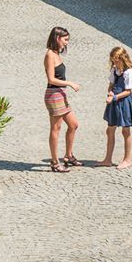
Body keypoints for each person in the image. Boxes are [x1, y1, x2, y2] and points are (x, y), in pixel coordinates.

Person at [44, 26, 81, 173]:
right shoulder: (49, 55)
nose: (67, 43)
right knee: (56, 128)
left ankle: (68, 156)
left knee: (74, 125)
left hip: (60, 94)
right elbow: (51, 79)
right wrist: (69, 83)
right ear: (57, 38)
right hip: (54, 95)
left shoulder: (56, 54)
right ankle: (54, 162)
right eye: (65, 40)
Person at [98, 46, 132, 169]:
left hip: (124, 103)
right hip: (114, 102)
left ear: (123, 58)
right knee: (110, 130)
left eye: (116, 60)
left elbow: (128, 91)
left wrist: (115, 97)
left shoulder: (129, 72)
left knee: (125, 131)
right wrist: (110, 92)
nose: (114, 63)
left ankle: (127, 159)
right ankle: (108, 159)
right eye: (113, 60)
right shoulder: (114, 70)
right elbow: (111, 85)